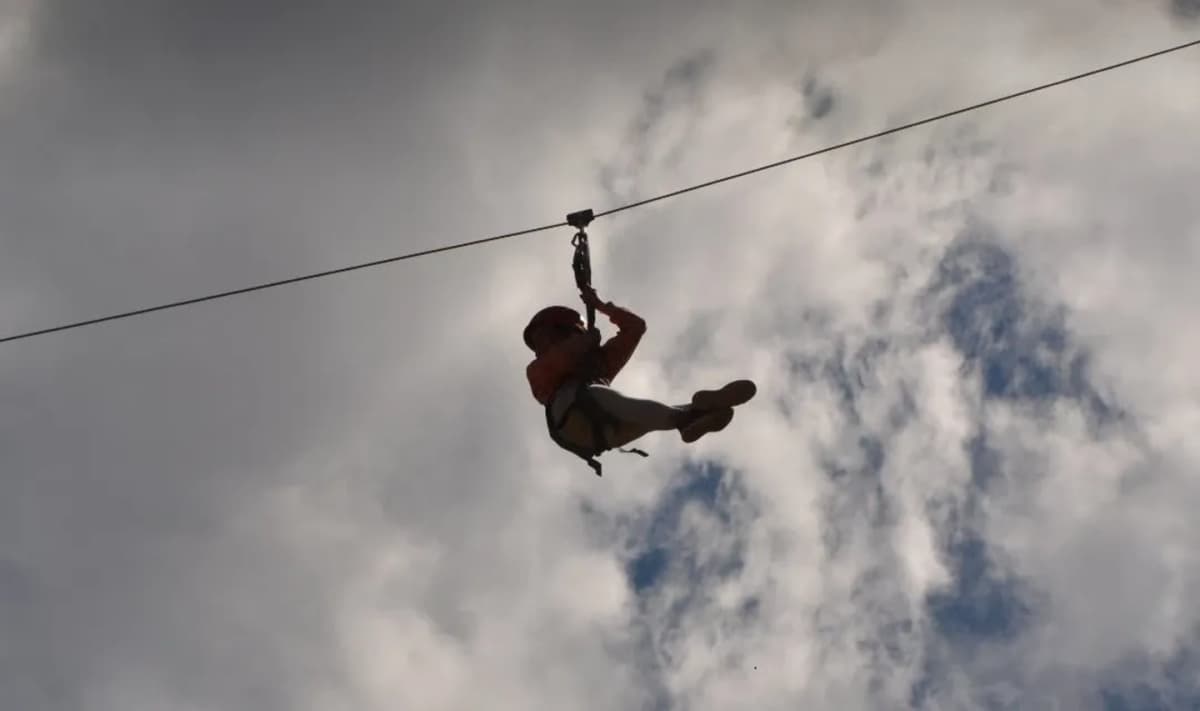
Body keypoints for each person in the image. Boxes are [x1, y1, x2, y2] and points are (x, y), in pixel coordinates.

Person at [524, 285, 756, 461]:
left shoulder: (599, 362)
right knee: (598, 393)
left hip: (604, 435)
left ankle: (695, 413)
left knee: (649, 417)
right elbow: (561, 360)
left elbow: (635, 328)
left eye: (542, 339)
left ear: (563, 331)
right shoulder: (537, 371)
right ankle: (688, 416)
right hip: (571, 418)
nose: (538, 348)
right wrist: (587, 341)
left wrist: (602, 306)